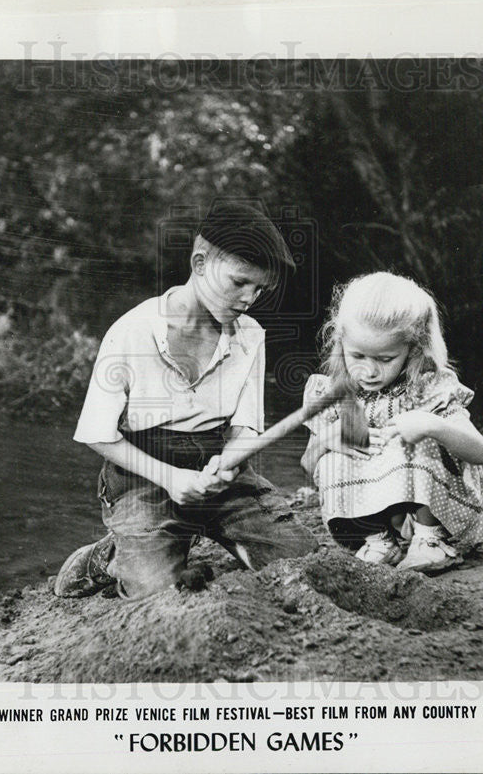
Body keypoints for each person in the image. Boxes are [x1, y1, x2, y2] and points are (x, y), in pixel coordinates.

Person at [55, 202, 317, 599]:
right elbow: (96, 434)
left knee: (301, 560)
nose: (250, 298)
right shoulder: (132, 332)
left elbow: (245, 426)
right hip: (141, 479)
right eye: (239, 282)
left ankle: (182, 532)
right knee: (157, 591)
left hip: (217, 472)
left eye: (260, 289)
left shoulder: (250, 335)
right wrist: (172, 479)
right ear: (199, 263)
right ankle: (106, 556)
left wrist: (228, 464)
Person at [300, 272, 483, 573]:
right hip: (377, 509)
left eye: (386, 359)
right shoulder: (333, 392)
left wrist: (431, 424)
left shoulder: (429, 388)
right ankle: (379, 541)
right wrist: (328, 439)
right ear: (340, 343)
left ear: (412, 349)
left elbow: (482, 452)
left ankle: (430, 541)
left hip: (438, 511)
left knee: (421, 436)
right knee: (332, 457)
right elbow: (310, 465)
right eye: (358, 355)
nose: (370, 370)